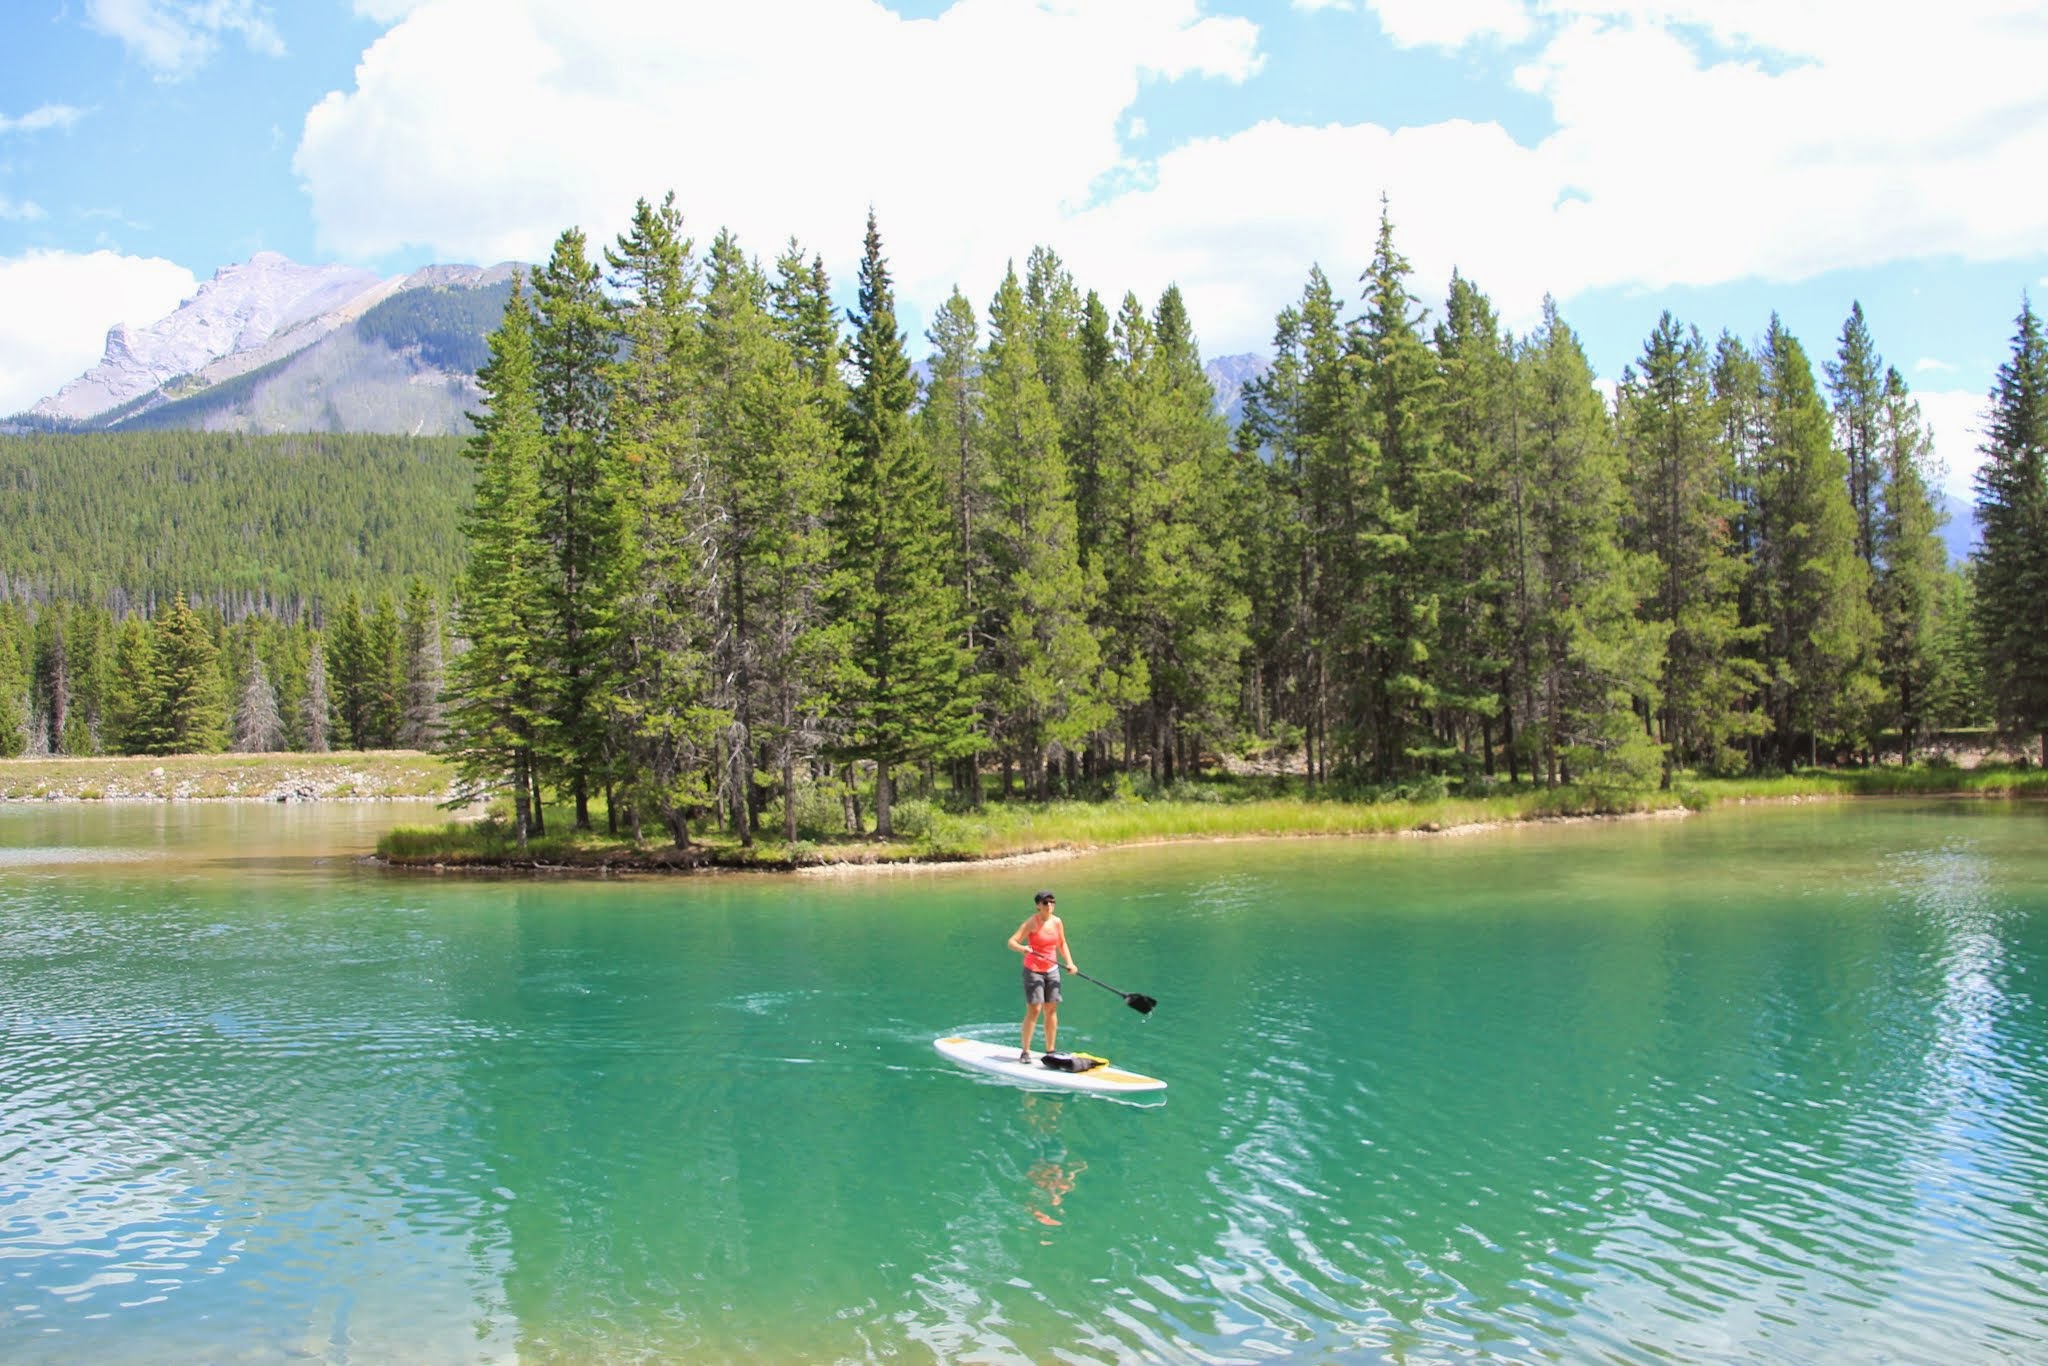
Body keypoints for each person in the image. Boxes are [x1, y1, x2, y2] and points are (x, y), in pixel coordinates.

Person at [1007, 890, 1077, 1062]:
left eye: (1052, 902)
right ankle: (1025, 1051)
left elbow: (1062, 943)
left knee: (1051, 1009)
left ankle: (1050, 1050)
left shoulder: (1057, 922)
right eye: (1045, 903)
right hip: (1033, 970)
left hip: (1052, 970)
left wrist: (1070, 962)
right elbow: (1011, 942)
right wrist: (1023, 948)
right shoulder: (1032, 922)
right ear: (1038, 905)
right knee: (1035, 1009)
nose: (1050, 905)